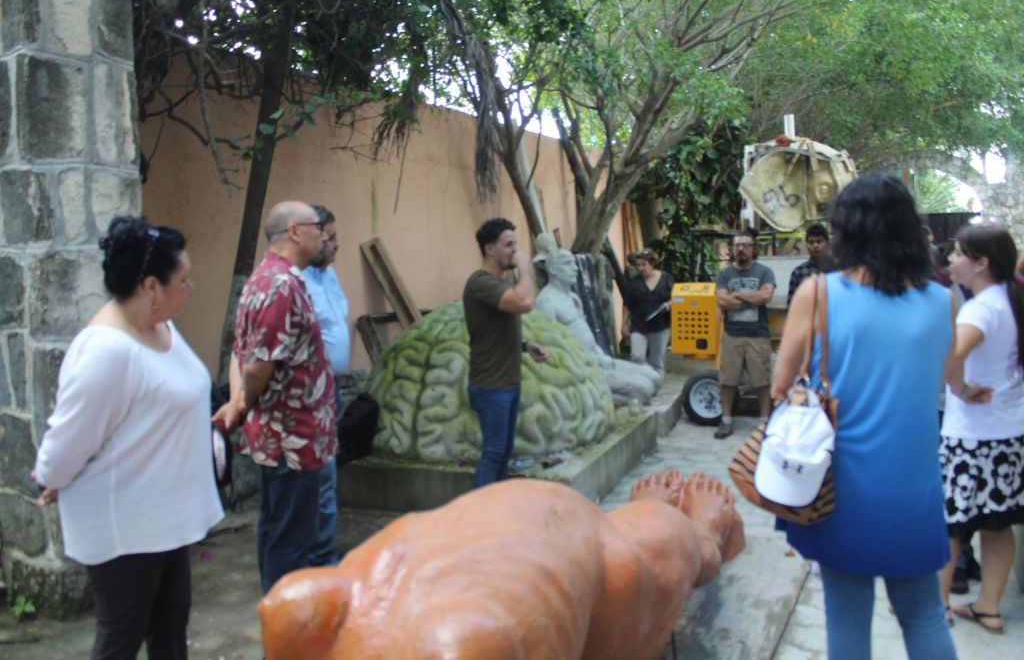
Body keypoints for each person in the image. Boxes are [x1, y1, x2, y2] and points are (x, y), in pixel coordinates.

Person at [772, 174, 976, 660]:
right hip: (915, 485)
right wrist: (974, 391)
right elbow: (955, 378)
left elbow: (781, 384)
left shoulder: (818, 293)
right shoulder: (941, 299)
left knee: (846, 614)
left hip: (840, 485)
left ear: (848, 229)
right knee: (923, 612)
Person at [258, 471, 746, 660]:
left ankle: (684, 526)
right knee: (657, 552)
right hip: (561, 541)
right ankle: (678, 525)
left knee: (668, 550)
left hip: (541, 531)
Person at [33, 216, 224, 659]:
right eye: (185, 281)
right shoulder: (105, 351)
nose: (190, 289)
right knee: (121, 638)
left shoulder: (161, 327)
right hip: (126, 525)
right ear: (151, 286)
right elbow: (68, 439)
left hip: (165, 516)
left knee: (170, 629)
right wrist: (52, 475)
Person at [213, 201, 338, 594]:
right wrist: (240, 404)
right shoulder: (281, 285)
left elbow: (241, 352)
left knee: (276, 533)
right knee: (291, 545)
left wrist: (237, 404)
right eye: (319, 227)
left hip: (288, 439)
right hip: (293, 441)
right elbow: (256, 367)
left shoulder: (263, 279)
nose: (325, 235)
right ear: (296, 232)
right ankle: (287, 631)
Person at [938, 223, 1024, 633]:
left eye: (957, 253)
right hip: (1009, 434)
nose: (950, 260)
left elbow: (950, 356)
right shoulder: (1012, 299)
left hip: (971, 437)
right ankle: (988, 606)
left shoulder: (980, 308)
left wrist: (959, 386)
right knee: (997, 522)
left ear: (981, 263)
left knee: (950, 526)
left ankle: (936, 609)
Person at [463, 218, 548, 488]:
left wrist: (525, 345)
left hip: (507, 385)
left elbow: (494, 327)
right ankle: (479, 517)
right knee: (494, 453)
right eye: (508, 245)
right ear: (490, 249)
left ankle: (496, 514)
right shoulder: (480, 283)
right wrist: (525, 268)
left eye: (516, 244)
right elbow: (524, 302)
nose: (515, 250)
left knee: (503, 454)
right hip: (491, 387)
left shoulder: (498, 285)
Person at [536, 247, 661, 404]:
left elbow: (585, 333)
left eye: (574, 264)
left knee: (655, 377)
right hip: (581, 367)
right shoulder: (546, 302)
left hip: (598, 359)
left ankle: (615, 397)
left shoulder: (573, 297)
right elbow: (552, 348)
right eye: (568, 264)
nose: (575, 268)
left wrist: (599, 354)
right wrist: (593, 359)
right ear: (553, 269)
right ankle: (606, 400)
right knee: (644, 387)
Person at [714, 231, 776, 439]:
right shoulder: (725, 274)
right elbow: (722, 301)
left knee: (762, 380)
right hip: (732, 335)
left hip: (758, 335)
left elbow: (766, 296)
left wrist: (738, 295)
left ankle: (765, 422)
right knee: (728, 380)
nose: (741, 248)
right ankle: (726, 421)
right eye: (737, 245)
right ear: (732, 249)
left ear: (753, 248)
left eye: (745, 245)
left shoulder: (764, 272)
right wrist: (753, 298)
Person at [301, 205, 350, 412]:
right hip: (308, 386)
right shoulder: (296, 279)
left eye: (335, 237)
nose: (336, 245)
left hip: (333, 381)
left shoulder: (330, 274)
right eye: (329, 239)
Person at [621, 248, 674, 373]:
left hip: (660, 325)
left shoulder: (666, 279)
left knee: (657, 361)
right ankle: (640, 386)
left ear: (652, 264)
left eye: (644, 265)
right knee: (637, 357)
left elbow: (676, 298)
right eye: (638, 265)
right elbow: (628, 305)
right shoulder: (635, 282)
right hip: (639, 325)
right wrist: (624, 324)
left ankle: (656, 388)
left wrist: (669, 304)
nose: (640, 268)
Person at [786, 223, 833, 308]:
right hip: (807, 319)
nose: (815, 246)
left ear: (827, 243)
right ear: (806, 245)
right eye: (811, 242)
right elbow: (791, 306)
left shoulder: (837, 271)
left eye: (819, 241)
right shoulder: (798, 272)